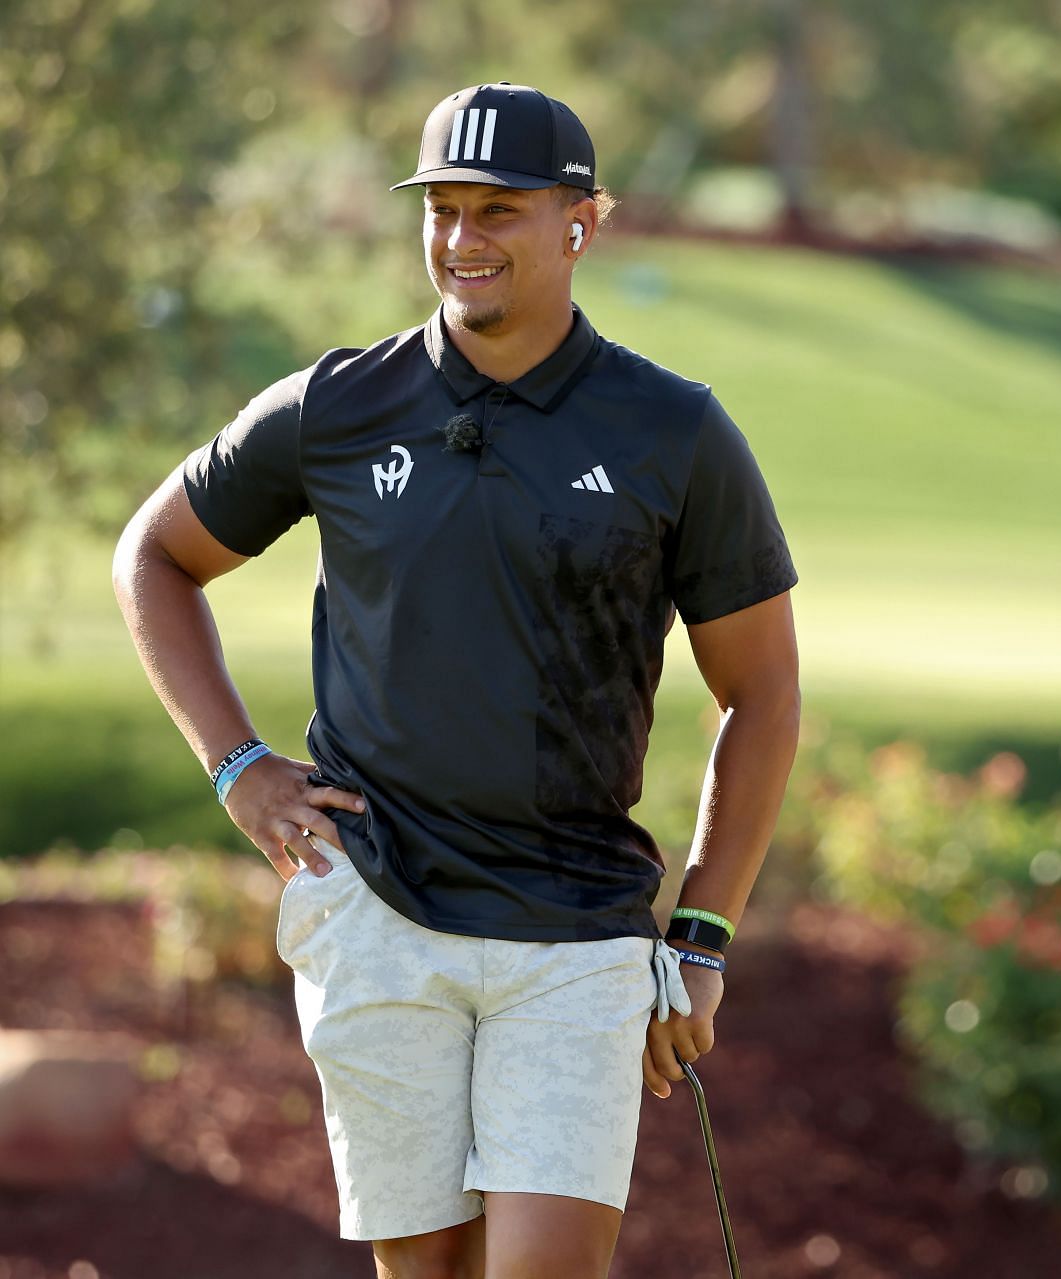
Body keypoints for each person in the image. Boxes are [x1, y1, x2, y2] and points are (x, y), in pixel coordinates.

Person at [112, 83, 800, 1279]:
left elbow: (764, 694)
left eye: (499, 211)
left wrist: (702, 930)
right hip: (374, 910)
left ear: (582, 222)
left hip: (575, 931)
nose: (461, 241)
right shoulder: (340, 402)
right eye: (441, 209)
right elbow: (157, 555)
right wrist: (237, 765)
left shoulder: (673, 430)